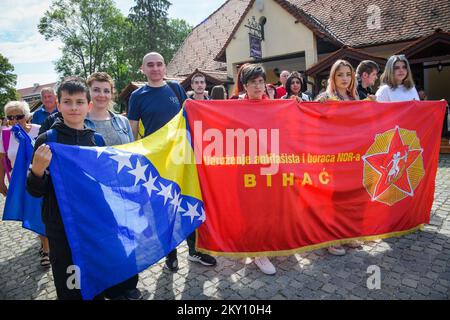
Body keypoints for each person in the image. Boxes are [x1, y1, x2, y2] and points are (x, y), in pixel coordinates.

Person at [127, 52, 217, 271]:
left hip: (182, 156)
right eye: (150, 65)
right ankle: (170, 254)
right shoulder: (137, 96)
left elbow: (193, 117)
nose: (155, 68)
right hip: (156, 162)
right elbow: (132, 132)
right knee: (164, 209)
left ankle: (195, 251)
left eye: (159, 64)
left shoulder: (176, 88)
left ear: (165, 67)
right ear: (143, 69)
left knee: (189, 202)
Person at [26, 77, 105, 300]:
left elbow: (102, 185)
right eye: (67, 101)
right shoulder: (47, 140)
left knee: (94, 275)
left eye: (79, 102)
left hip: (91, 223)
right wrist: (38, 171)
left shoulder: (97, 141)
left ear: (89, 106)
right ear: (58, 105)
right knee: (68, 279)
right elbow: (33, 191)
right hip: (60, 224)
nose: (73, 107)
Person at [84, 72, 141, 300]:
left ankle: (130, 283)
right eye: (96, 89)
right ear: (89, 91)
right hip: (96, 195)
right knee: (106, 241)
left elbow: (133, 151)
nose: (101, 94)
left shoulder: (122, 121)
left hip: (124, 192)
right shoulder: (80, 120)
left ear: (112, 93)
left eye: (106, 90)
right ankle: (110, 286)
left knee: (128, 237)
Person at [315, 60, 363, 256]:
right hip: (333, 158)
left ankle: (348, 234)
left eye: (348, 74)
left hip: (353, 157)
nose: (344, 78)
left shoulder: (354, 97)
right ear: (333, 78)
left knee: (351, 197)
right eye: (340, 74)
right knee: (333, 199)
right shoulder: (325, 97)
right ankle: (331, 238)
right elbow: (315, 122)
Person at [0, 101, 50, 267]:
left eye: (19, 116)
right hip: (22, 181)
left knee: (44, 211)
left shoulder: (39, 129)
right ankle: (45, 245)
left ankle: (46, 247)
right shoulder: (5, 135)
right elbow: (1, 161)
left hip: (44, 177)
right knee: (35, 212)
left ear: (27, 116)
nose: (14, 120)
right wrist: (1, 182)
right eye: (10, 117)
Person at [239, 64, 276, 275]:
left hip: (270, 166)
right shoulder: (235, 106)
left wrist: (296, 104)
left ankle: (263, 245)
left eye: (261, 81)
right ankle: (258, 252)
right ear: (245, 86)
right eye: (253, 82)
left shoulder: (272, 105)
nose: (258, 85)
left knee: (267, 208)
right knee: (250, 210)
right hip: (245, 168)